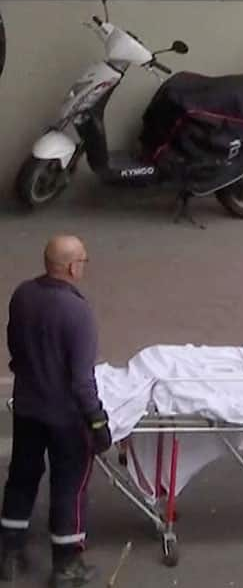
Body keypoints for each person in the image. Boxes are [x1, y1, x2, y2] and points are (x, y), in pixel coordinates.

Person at [2, 235, 113, 586]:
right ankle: (66, 565)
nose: (84, 266)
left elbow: (15, 346)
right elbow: (82, 380)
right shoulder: (77, 312)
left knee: (21, 477)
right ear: (71, 266)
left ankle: (9, 553)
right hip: (65, 418)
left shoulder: (23, 295)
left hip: (28, 409)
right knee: (70, 487)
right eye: (83, 260)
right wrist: (97, 421)